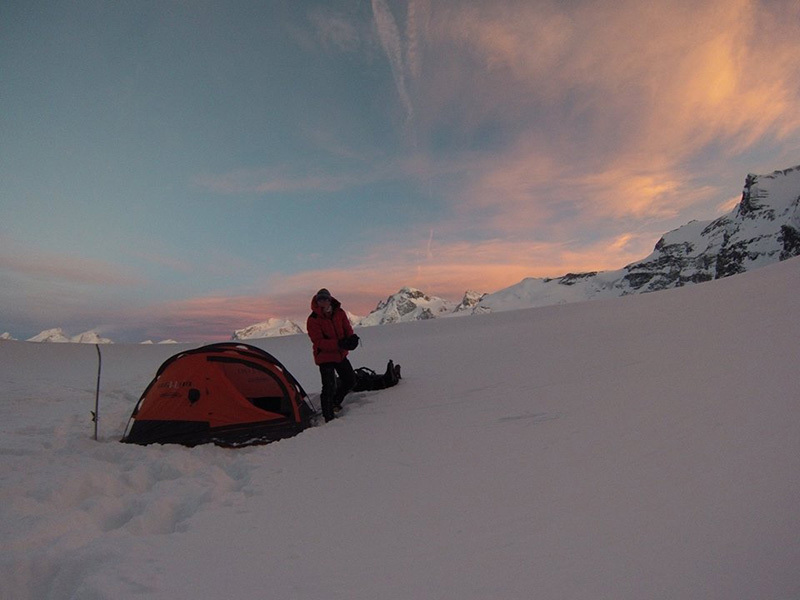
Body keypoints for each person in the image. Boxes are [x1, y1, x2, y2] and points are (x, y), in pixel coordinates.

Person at [306, 288, 360, 422]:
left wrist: (351, 338)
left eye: (325, 299)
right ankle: (328, 416)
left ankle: (336, 401)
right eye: (320, 299)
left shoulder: (339, 312)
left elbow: (347, 328)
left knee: (350, 380)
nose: (322, 302)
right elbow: (318, 342)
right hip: (324, 357)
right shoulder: (313, 319)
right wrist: (340, 343)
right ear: (316, 301)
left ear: (330, 300)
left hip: (340, 355)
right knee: (328, 387)